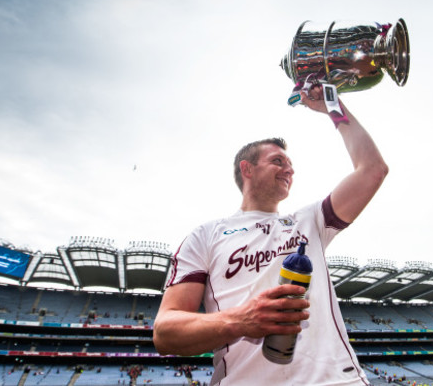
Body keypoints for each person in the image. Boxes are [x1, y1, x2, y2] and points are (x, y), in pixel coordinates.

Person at [154, 84, 388, 385]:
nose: (289, 170)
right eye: (278, 161)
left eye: (291, 166)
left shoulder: (310, 221)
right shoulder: (206, 236)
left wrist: (333, 105)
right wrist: (239, 320)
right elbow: (165, 332)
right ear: (247, 169)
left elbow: (372, 170)